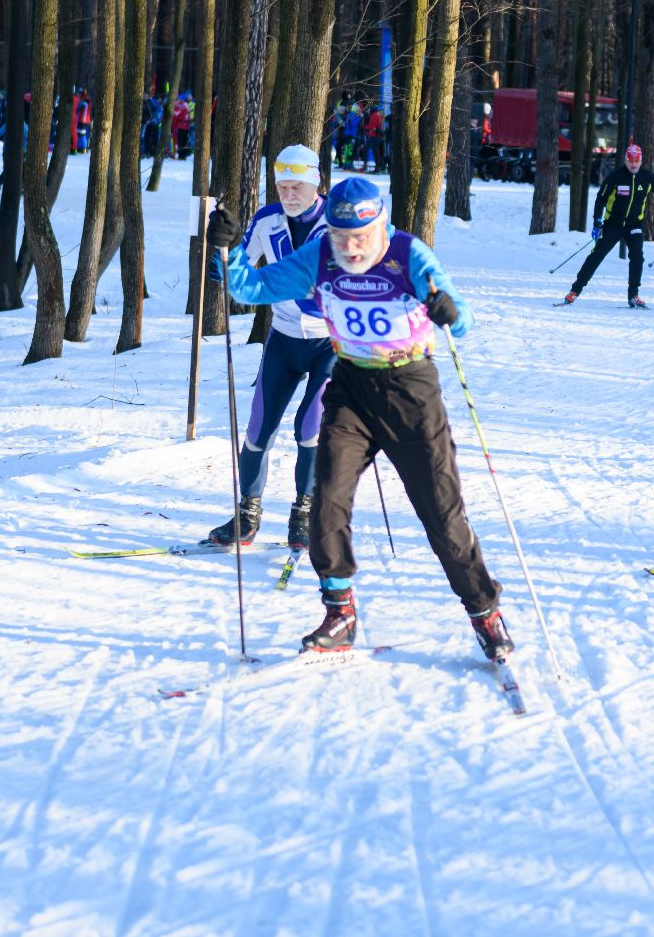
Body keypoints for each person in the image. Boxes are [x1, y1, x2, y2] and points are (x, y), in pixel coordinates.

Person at [205, 175, 515, 659]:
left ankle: (484, 611)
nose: (350, 248)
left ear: (382, 227)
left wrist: (449, 311)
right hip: (351, 386)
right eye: (341, 237)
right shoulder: (321, 256)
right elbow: (253, 286)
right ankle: (340, 612)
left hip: (410, 389)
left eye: (361, 238)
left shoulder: (409, 255)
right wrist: (227, 252)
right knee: (326, 500)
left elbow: (464, 318)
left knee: (440, 512)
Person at [204, 144, 340, 552]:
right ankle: (247, 512)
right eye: (282, 186)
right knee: (258, 427)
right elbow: (230, 274)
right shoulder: (267, 220)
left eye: (297, 186)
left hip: (328, 341)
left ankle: (306, 511)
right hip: (282, 337)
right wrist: (221, 248)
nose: (289, 194)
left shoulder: (336, 222)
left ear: (315, 182)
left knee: (310, 426)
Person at [563, 142, 654, 309]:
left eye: (636, 161)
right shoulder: (615, 177)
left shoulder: (647, 177)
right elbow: (601, 199)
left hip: (634, 224)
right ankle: (574, 291)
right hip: (613, 224)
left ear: (641, 161)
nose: (633, 164)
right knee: (597, 255)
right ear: (626, 161)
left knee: (637, 257)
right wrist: (597, 222)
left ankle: (633, 295)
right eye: (630, 161)